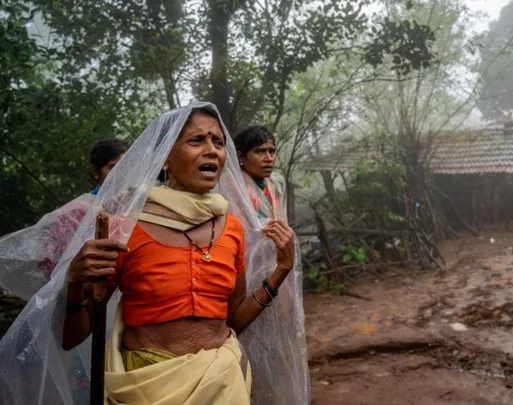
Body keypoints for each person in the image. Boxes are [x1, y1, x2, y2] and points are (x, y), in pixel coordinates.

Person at [0, 103, 309, 405]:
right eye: (196, 140)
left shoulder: (231, 229)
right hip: (146, 386)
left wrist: (280, 271)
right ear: (164, 159)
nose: (211, 150)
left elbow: (232, 319)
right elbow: (73, 337)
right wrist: (74, 281)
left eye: (217, 141)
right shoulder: (126, 227)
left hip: (223, 382)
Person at [0, 138, 129, 300]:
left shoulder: (136, 207)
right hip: (82, 298)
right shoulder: (79, 210)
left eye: (126, 167)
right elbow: (51, 259)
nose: (121, 174)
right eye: (113, 167)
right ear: (95, 172)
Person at [234, 125, 287, 222]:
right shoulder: (233, 187)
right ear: (241, 157)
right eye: (260, 151)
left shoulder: (276, 183)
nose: (269, 158)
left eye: (272, 151)